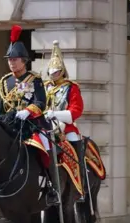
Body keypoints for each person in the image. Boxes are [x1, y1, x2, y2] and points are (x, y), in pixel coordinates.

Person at [0, 25, 59, 207]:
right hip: (10, 124)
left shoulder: (35, 79)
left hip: (32, 124)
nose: (11, 63)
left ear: (24, 61)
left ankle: (50, 187)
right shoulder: (5, 81)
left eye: (15, 60)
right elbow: (1, 108)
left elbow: (41, 103)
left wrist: (28, 111)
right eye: (9, 59)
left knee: (45, 147)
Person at [44, 40, 86, 202]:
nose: (53, 74)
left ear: (62, 71)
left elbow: (76, 110)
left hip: (65, 128)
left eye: (56, 71)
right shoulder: (45, 87)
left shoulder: (71, 87)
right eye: (51, 71)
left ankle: (79, 185)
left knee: (74, 147)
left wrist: (56, 114)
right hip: (46, 127)